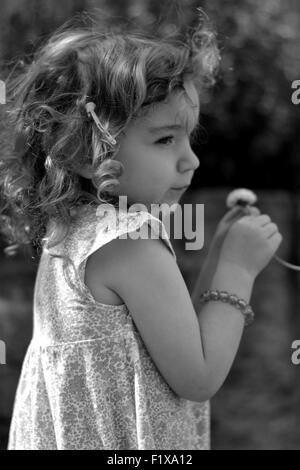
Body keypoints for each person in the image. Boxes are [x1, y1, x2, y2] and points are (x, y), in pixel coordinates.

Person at [0, 12, 282, 450]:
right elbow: (198, 375)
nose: (191, 160)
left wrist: (219, 256)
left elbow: (178, 333)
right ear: (81, 152)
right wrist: (239, 270)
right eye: (165, 139)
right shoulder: (129, 244)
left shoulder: (77, 229)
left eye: (188, 137)